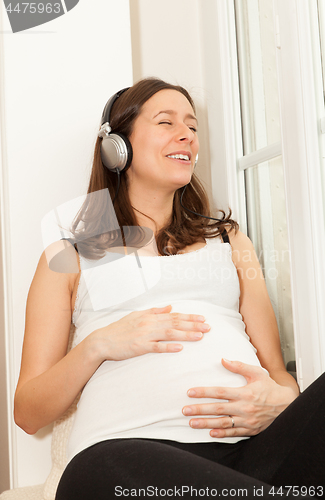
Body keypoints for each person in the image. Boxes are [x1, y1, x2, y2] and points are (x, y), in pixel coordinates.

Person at [14, 78, 324, 499]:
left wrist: (281, 400)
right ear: (116, 147)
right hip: (128, 458)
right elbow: (28, 412)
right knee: (96, 469)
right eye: (166, 122)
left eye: (192, 127)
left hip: (253, 456)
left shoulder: (230, 241)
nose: (187, 136)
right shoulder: (69, 253)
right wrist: (98, 344)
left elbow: (277, 375)